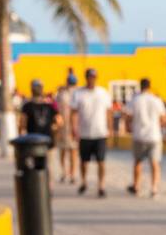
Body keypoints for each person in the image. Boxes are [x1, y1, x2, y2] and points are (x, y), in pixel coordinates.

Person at [70, 69, 112, 197]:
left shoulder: (103, 93)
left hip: (100, 132)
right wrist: (74, 129)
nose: (91, 79)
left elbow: (108, 112)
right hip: (84, 133)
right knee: (84, 161)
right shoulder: (78, 94)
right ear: (86, 77)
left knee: (101, 161)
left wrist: (110, 128)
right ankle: (84, 182)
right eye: (89, 76)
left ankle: (101, 185)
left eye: (93, 77)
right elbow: (74, 113)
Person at [124, 78, 166, 197]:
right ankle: (154, 188)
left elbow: (127, 116)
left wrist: (130, 124)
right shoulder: (156, 99)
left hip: (139, 135)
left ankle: (136, 186)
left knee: (138, 162)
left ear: (140, 86)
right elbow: (163, 118)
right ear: (149, 86)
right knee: (155, 162)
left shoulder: (134, 99)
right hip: (154, 135)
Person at [19, 80, 62, 189]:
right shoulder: (30, 106)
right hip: (36, 140)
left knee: (44, 164)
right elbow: (23, 121)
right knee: (41, 164)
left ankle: (46, 186)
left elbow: (59, 121)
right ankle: (43, 186)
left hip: (42, 140)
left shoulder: (46, 105)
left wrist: (55, 129)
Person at [56, 71, 79, 183]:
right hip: (64, 126)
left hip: (74, 126)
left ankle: (72, 173)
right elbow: (59, 111)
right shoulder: (62, 93)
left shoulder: (78, 93)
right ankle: (65, 172)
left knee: (73, 151)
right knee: (64, 150)